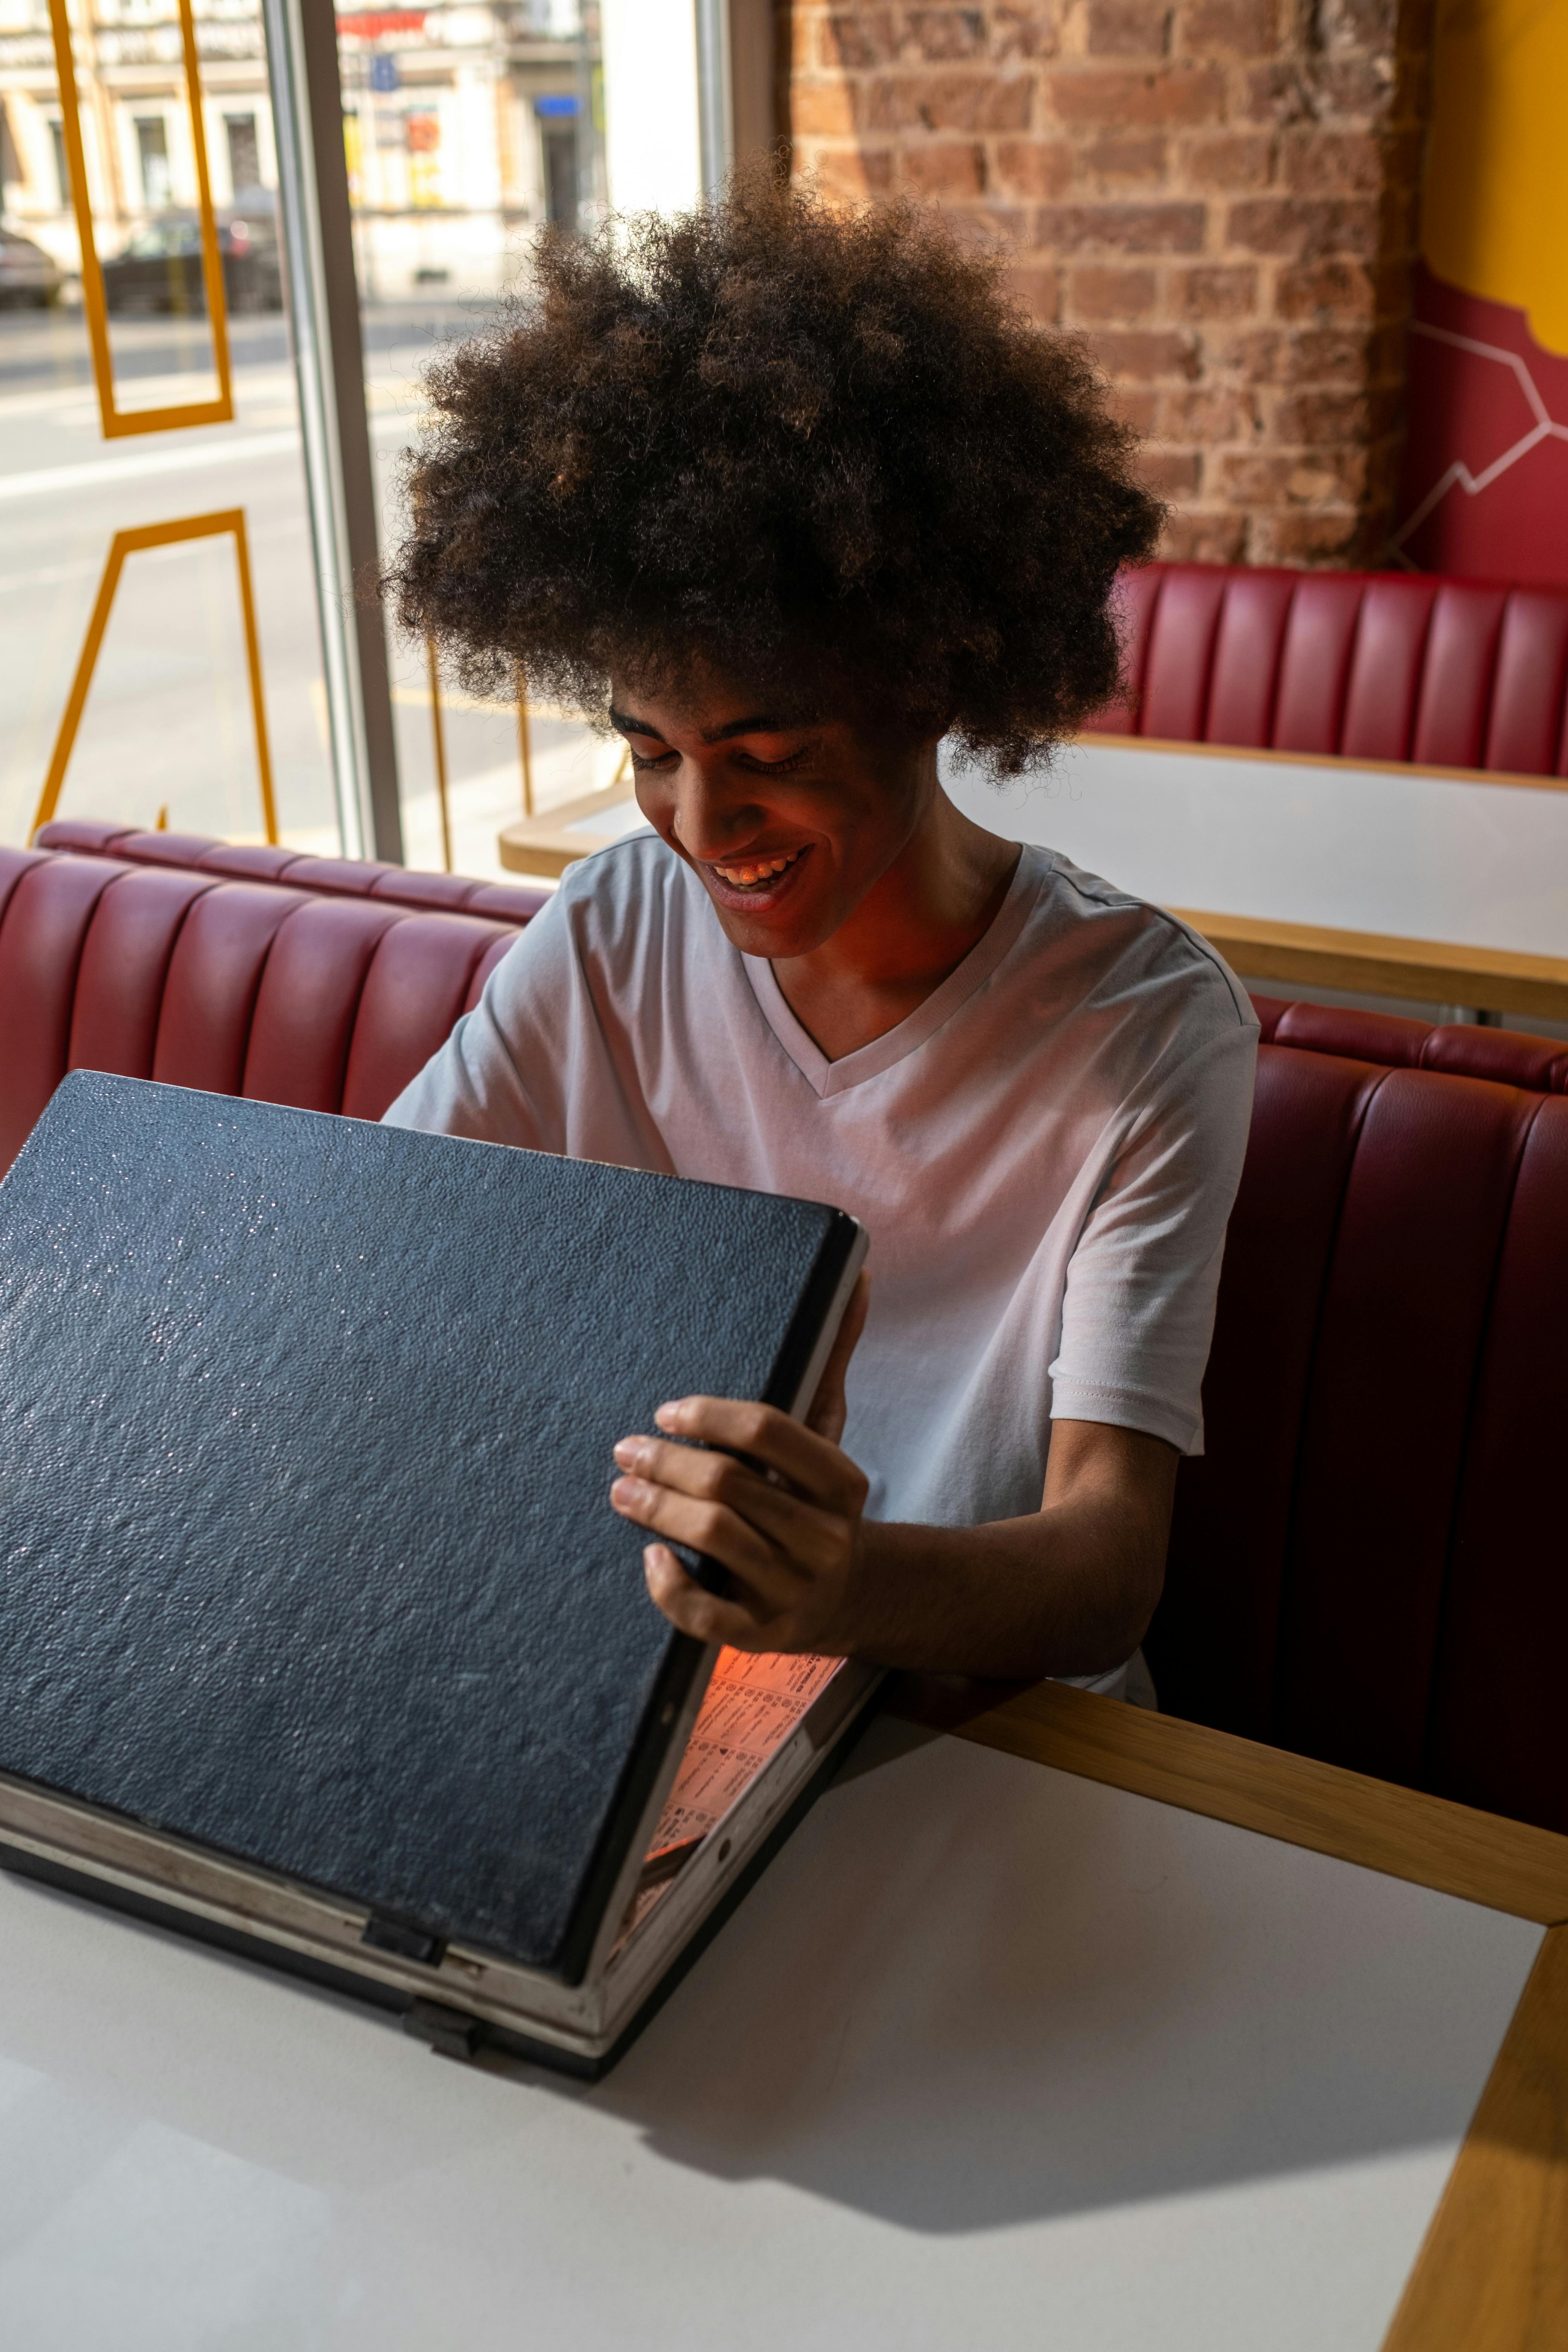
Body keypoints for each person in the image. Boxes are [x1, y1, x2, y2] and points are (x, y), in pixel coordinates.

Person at [384, 172, 1259, 1695]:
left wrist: (847, 1588)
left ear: (925, 689)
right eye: (650, 750)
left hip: (979, 1730)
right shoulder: (612, 925)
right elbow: (378, 1238)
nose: (700, 828)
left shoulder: (1145, 1027)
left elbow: (1107, 1571)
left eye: (768, 751)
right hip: (642, 1681)